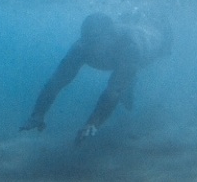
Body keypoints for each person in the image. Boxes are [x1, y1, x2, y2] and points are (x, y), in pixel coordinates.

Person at [21, 13, 172, 144]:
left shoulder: (131, 47)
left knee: (123, 81)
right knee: (123, 78)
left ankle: (130, 82)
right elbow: (56, 82)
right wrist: (37, 114)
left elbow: (114, 90)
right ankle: (129, 80)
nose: (87, 46)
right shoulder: (82, 46)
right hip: (126, 47)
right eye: (85, 40)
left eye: (93, 41)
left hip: (158, 40)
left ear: (111, 36)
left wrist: (92, 123)